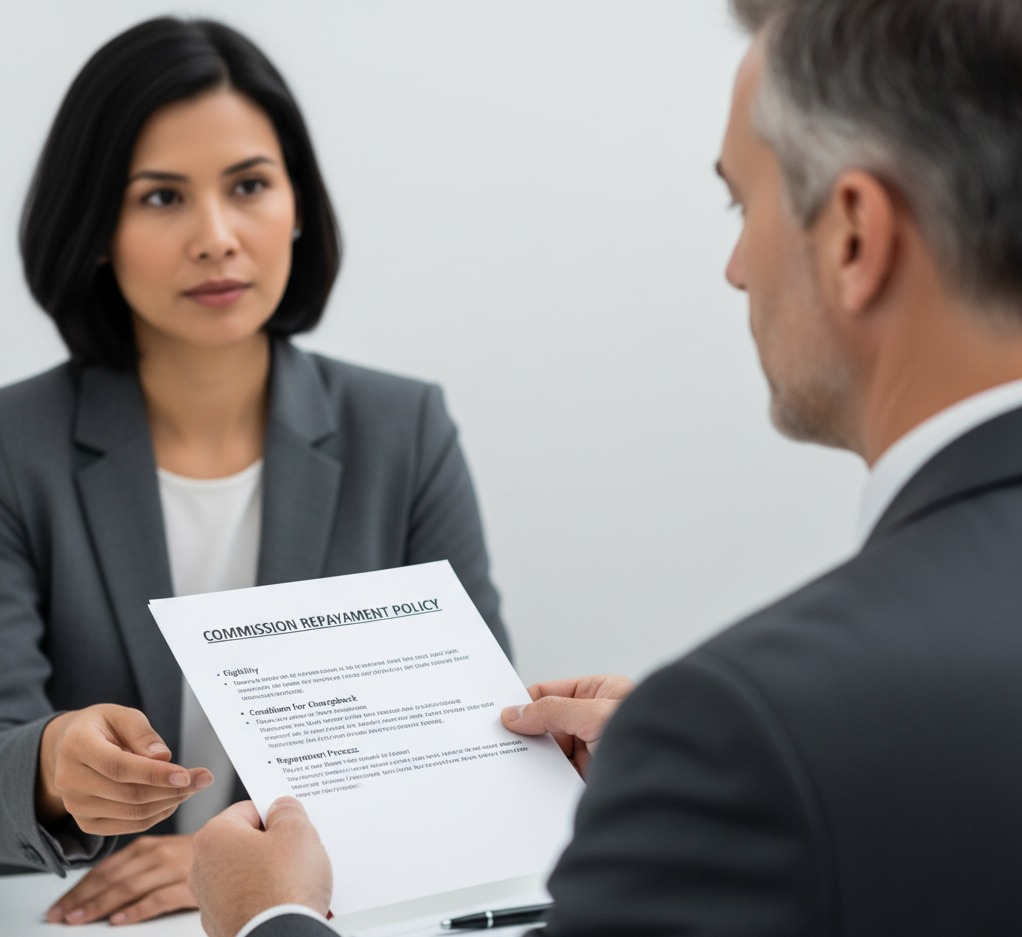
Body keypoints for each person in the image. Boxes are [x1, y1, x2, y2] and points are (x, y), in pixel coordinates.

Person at [190, 0, 1022, 934]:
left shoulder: (741, 728)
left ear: (856, 236)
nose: (737, 268)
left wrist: (272, 921)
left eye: (743, 205)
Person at [0, 14, 510, 928]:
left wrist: (221, 859)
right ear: (96, 226)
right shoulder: (11, 446)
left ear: (298, 205)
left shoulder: (403, 429)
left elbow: (465, 751)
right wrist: (46, 769)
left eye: (249, 185)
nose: (217, 236)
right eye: (161, 197)